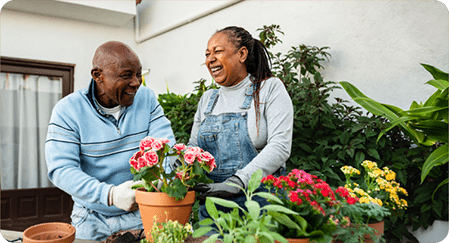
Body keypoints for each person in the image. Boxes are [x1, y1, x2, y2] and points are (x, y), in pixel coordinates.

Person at [45, 41, 175, 241]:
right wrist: (110, 195)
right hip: (90, 218)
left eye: (139, 74)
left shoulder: (147, 99)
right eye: (126, 75)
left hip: (142, 212)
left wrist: (160, 181)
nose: (136, 82)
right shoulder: (68, 111)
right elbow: (61, 169)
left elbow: (166, 149)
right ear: (98, 75)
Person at [190, 26, 294, 223]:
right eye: (207, 54)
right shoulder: (207, 99)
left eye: (217, 52)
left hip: (261, 205)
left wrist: (238, 181)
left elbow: (280, 146)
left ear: (242, 54)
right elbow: (194, 148)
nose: (210, 59)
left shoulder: (268, 89)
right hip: (213, 211)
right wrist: (177, 161)